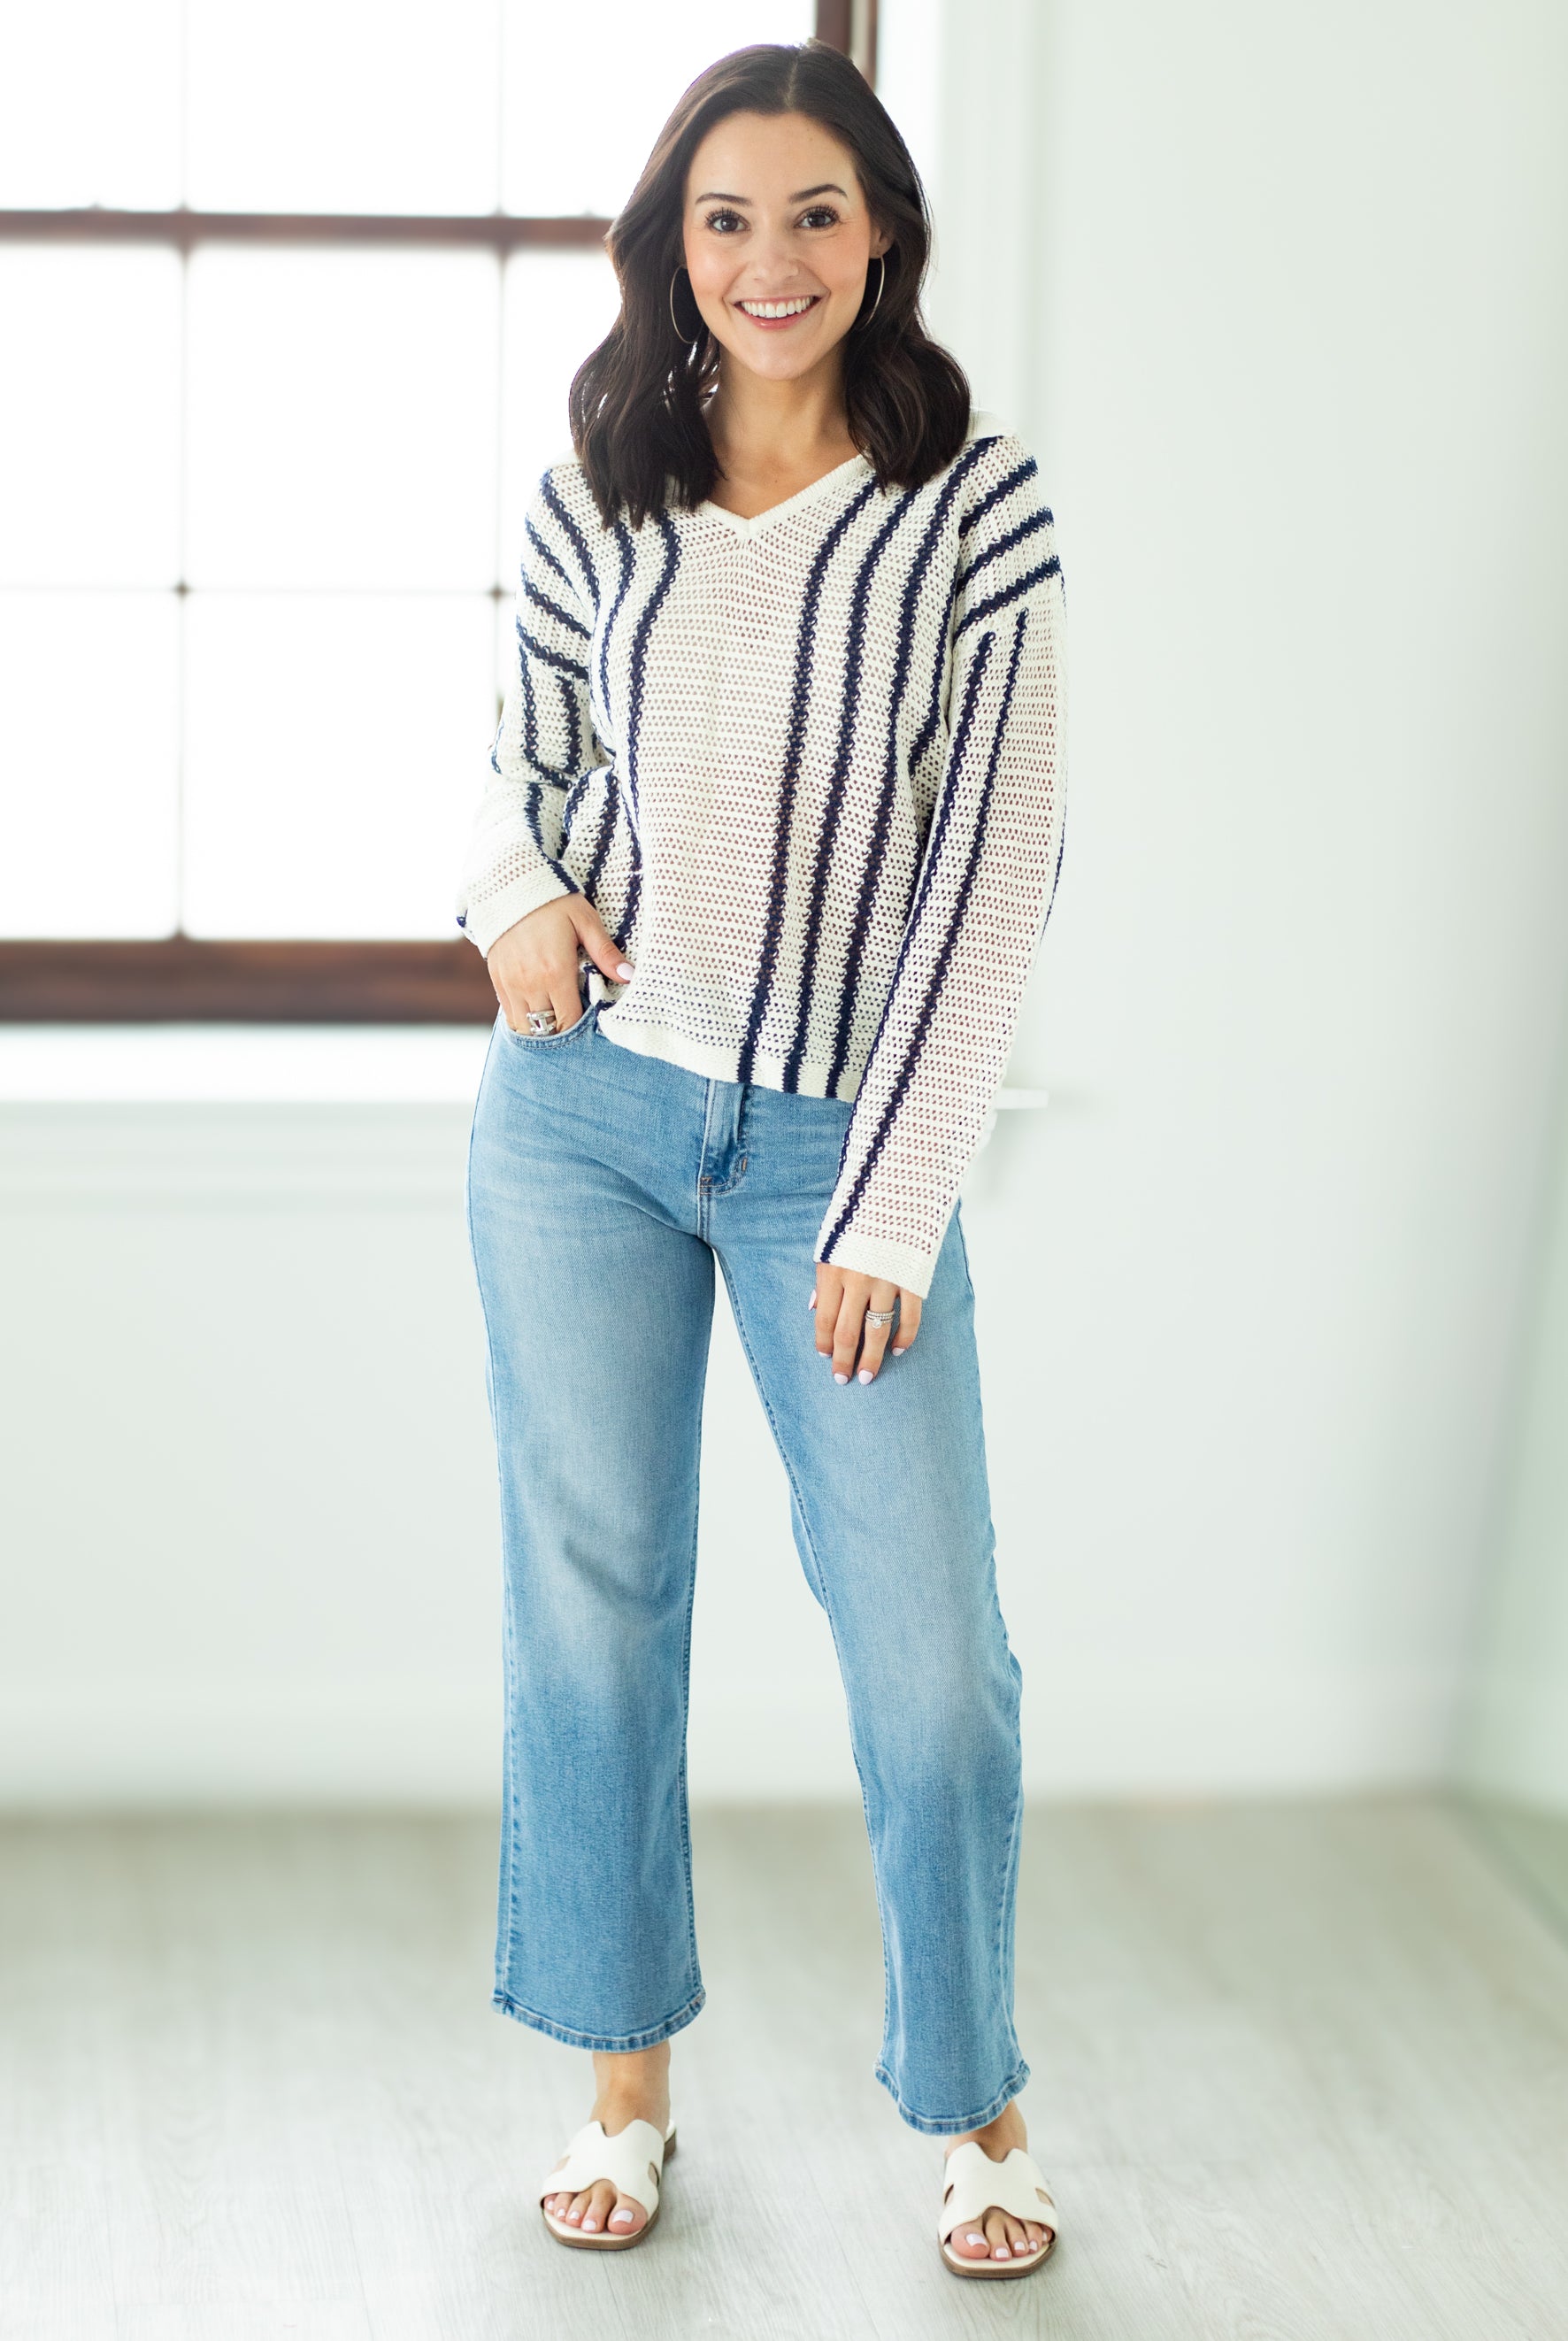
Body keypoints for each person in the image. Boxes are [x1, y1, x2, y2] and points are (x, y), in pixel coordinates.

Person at [457, 37, 1066, 2282]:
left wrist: (896, 1201)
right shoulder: (600, 477)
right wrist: (501, 891)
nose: (771, 257)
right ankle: (623, 2086)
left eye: (814, 212)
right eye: (727, 217)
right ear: (672, 245)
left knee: (928, 1663)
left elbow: (993, 875)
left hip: (835, 1148)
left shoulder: (970, 504)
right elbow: (505, 747)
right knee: (594, 1623)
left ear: (882, 230)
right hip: (580, 1126)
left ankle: (973, 2107)